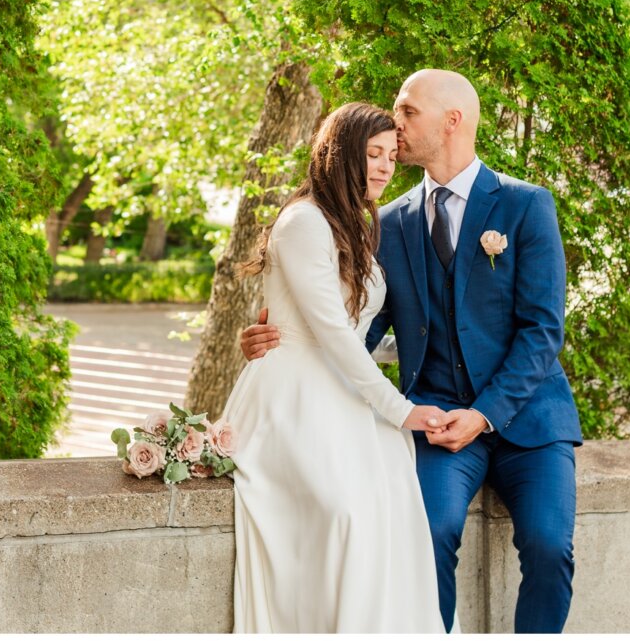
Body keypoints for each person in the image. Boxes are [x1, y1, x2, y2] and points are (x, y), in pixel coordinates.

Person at [241, 69, 582, 633]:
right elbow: (360, 327)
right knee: (425, 534)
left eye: (406, 111)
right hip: (435, 418)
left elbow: (542, 332)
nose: (396, 125)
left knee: (549, 545)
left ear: (453, 121)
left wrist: (484, 415)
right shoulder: (389, 221)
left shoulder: (525, 206)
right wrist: (281, 338)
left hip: (529, 423)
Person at [223, 102, 448, 633]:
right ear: (340, 154)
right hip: (294, 396)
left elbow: (359, 332)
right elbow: (330, 332)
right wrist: (402, 409)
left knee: (392, 498)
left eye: (392, 156)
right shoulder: (303, 221)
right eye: (373, 154)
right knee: (342, 511)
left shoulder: (357, 224)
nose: (385, 167)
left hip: (342, 392)